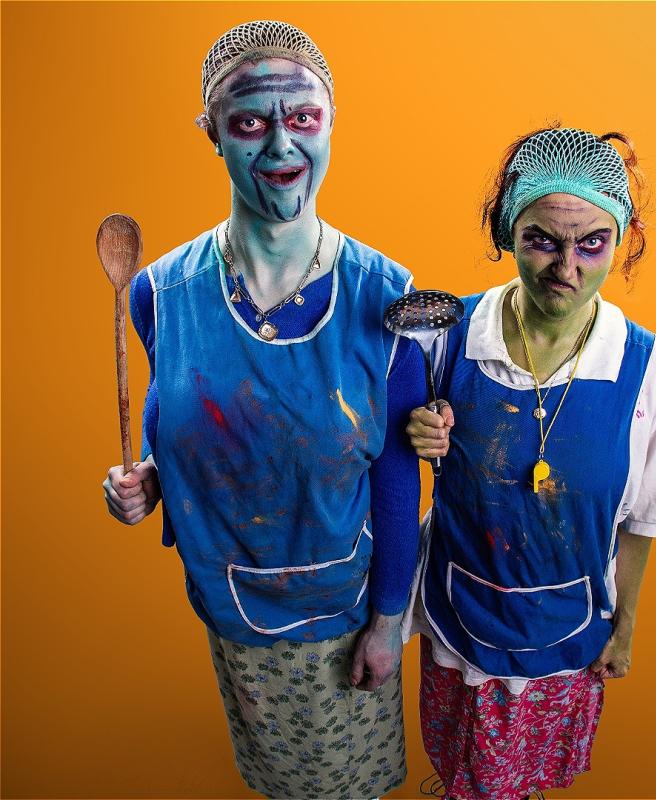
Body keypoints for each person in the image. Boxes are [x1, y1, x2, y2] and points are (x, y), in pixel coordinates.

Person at [102, 20, 425, 799]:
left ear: (330, 123)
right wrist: (145, 483)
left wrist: (388, 622)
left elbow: (396, 474)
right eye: (249, 121)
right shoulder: (157, 293)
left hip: (346, 621)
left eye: (303, 117)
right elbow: (182, 432)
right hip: (233, 608)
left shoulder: (388, 297)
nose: (281, 147)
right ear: (212, 133)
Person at [404, 125, 656, 799]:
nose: (567, 266)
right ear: (506, 230)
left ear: (622, 242)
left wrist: (626, 628)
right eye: (542, 239)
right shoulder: (445, 338)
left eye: (592, 243)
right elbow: (371, 456)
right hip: (457, 620)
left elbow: (647, 516)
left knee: (518, 785)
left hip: (567, 636)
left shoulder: (647, 367)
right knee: (459, 772)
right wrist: (415, 428)